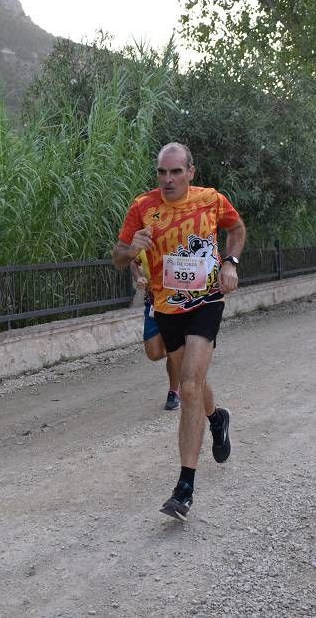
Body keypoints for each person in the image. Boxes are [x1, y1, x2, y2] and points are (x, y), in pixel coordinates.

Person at [112, 142, 247, 521]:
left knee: (188, 385)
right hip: (167, 306)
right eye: (162, 172)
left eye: (175, 172)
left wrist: (231, 263)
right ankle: (216, 418)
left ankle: (184, 487)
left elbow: (236, 228)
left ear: (191, 171)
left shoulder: (211, 200)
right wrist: (130, 250)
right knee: (194, 381)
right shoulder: (142, 207)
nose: (168, 179)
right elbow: (117, 257)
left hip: (206, 301)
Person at [129, 252, 182, 410]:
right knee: (153, 353)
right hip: (153, 303)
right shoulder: (146, 242)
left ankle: (174, 392)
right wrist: (139, 277)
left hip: (176, 303)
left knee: (174, 351)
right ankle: (180, 352)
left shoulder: (177, 237)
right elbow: (133, 262)